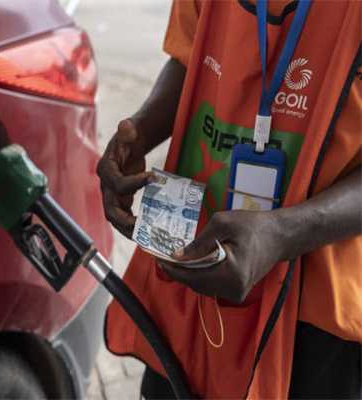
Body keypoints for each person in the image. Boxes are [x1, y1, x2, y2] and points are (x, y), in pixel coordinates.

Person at [96, 1, 361, 399]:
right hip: (191, 275)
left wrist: (284, 233)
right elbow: (191, 56)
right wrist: (142, 130)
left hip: (315, 322)